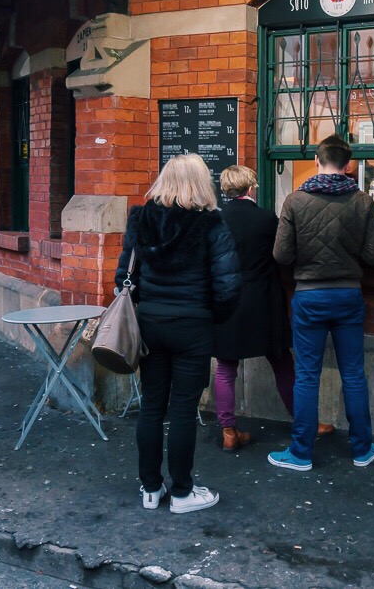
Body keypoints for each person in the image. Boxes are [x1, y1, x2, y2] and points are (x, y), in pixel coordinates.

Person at [115, 154, 239, 513]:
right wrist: (211, 316)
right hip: (193, 327)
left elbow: (124, 277)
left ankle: (151, 489)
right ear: (202, 182)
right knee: (184, 409)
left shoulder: (141, 220)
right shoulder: (212, 225)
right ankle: (182, 493)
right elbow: (228, 286)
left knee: (152, 405)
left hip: (151, 324)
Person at [268, 134, 374, 472]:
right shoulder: (362, 201)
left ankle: (301, 453)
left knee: (306, 376)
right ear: (348, 166)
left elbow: (281, 255)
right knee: (353, 374)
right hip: (348, 294)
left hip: (309, 296)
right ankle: (363, 449)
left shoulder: (295, 201)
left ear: (317, 161)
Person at [213, 165, 295, 451]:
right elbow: (283, 255)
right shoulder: (266, 219)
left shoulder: (215, 221)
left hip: (227, 300)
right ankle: (303, 421)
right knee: (282, 362)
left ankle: (228, 432)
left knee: (225, 368)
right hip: (263, 300)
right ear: (251, 188)